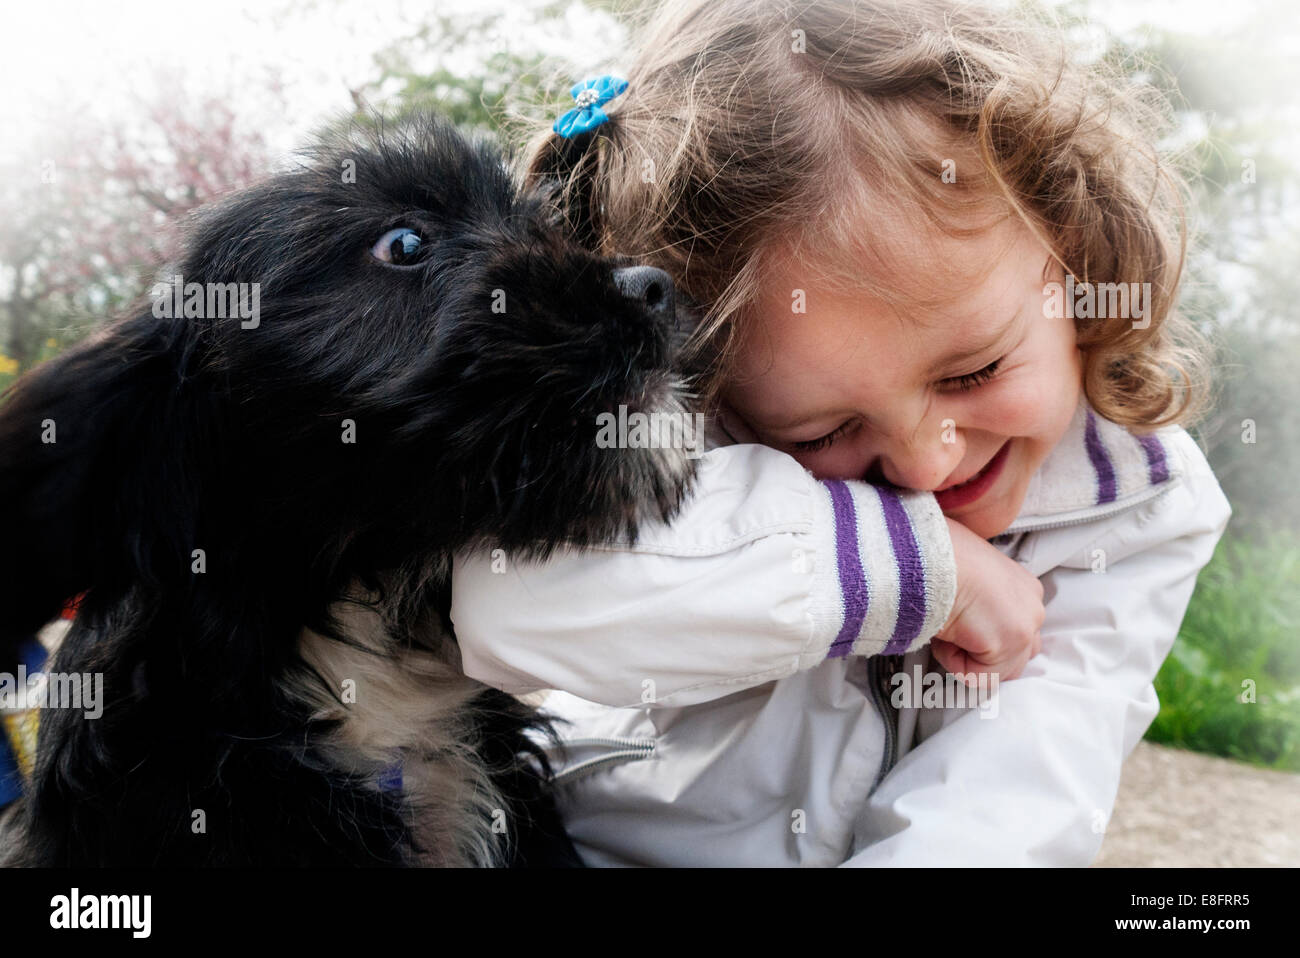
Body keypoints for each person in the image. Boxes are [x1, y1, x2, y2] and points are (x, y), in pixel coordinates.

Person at [450, 0, 1231, 865]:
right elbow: (500, 603)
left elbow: (1016, 795)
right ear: (706, 393)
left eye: (974, 373)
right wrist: (900, 568)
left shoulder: (1144, 500)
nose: (929, 463)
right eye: (820, 433)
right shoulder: (664, 434)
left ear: (1073, 243)